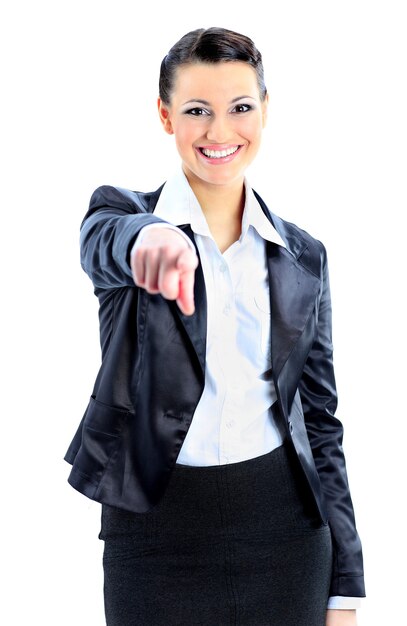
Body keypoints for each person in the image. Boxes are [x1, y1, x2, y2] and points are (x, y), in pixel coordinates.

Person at [65, 27, 365, 626]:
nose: (220, 132)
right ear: (165, 115)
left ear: (265, 110)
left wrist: (345, 587)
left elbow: (321, 422)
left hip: (285, 531)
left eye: (240, 108)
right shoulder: (123, 214)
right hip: (155, 532)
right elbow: (101, 243)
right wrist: (149, 238)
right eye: (197, 111)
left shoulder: (304, 256)